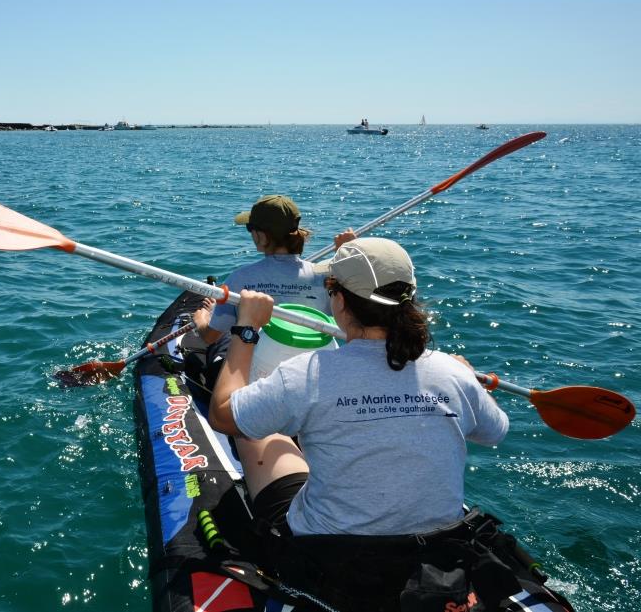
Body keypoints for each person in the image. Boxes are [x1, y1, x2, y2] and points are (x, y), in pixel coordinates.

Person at [207, 237, 510, 608]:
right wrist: (466, 375)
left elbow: (222, 415)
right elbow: (495, 431)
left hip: (332, 559)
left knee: (263, 435)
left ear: (337, 299)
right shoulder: (451, 372)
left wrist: (246, 328)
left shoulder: (306, 374)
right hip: (437, 557)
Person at [191, 194, 354, 348]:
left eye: (250, 228)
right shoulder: (327, 278)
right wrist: (348, 252)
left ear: (261, 236)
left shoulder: (239, 279)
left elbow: (210, 337)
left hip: (255, 364)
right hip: (308, 363)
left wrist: (203, 318)